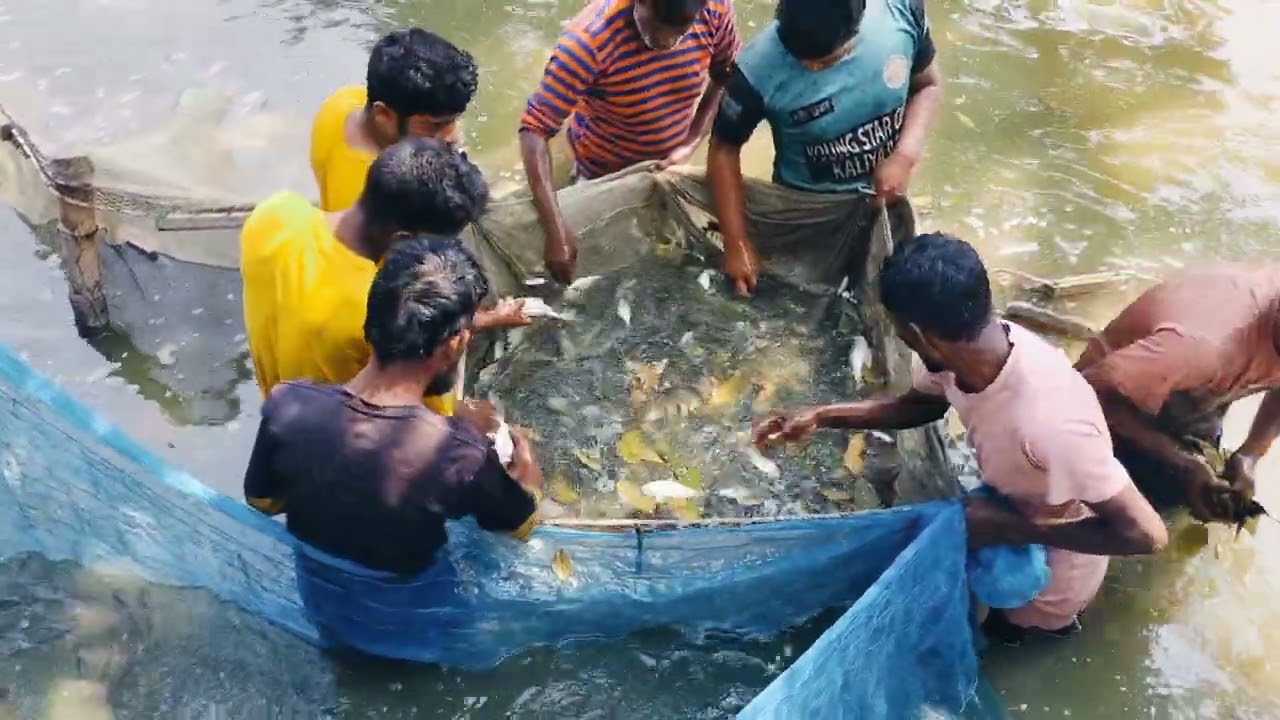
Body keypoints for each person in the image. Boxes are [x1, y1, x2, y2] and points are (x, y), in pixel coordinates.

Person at [752, 233, 1167, 645]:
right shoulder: (961, 354)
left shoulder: (1052, 422)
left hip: (1049, 580)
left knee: (1007, 636)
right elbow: (919, 407)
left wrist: (1010, 527)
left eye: (899, 330)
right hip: (1005, 510)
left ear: (916, 332)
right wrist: (822, 416)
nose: (900, 338)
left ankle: (1031, 631)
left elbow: (1145, 534)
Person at [243, 236, 543, 576]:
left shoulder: (288, 405)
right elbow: (520, 527)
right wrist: (527, 474)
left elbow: (263, 503)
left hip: (317, 592)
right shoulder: (460, 455)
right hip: (414, 609)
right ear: (456, 342)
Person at [241, 137, 529, 417]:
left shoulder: (274, 215)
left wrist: (490, 318)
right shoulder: (383, 313)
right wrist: (481, 421)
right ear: (402, 240)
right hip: (345, 440)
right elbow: (433, 423)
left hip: (281, 411)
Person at [708, 0, 942, 296]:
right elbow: (723, 149)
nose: (812, 67)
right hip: (804, 214)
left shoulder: (901, 13)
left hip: (884, 199)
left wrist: (905, 156)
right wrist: (736, 242)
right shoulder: (756, 71)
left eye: (827, 61)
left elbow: (927, 86)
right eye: (799, 58)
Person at [518, 0, 740, 283]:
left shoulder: (715, 8)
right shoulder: (587, 43)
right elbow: (534, 130)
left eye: (680, 32)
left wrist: (691, 141)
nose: (667, 42)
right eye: (657, 28)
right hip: (600, 169)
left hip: (671, 163)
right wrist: (555, 230)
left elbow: (726, 75)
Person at [1075, 266, 1280, 524]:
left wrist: (1250, 453)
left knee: (1208, 493)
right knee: (1132, 518)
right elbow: (1084, 392)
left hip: (1196, 391)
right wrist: (1183, 464)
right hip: (1109, 401)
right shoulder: (1202, 350)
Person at [311, 27, 478, 213]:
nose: (451, 136)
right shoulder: (366, 198)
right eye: (434, 125)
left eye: (453, 120)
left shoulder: (348, 100)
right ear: (383, 115)